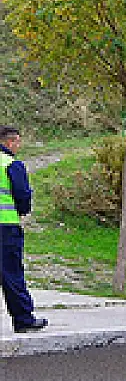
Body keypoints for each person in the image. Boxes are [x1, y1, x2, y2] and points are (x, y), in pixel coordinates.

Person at [0, 126, 47, 333]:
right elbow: (22, 195)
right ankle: (23, 319)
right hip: (6, 226)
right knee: (12, 274)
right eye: (18, 142)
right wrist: (23, 211)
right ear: (9, 142)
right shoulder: (11, 164)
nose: (19, 146)